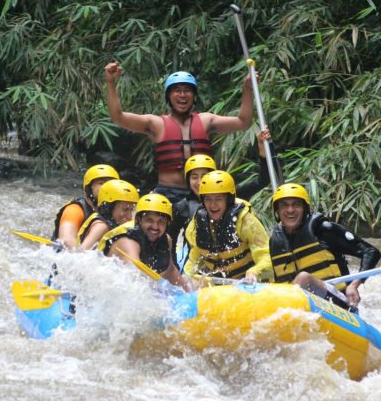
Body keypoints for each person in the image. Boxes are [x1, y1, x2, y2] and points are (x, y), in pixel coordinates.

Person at [104, 62, 255, 201]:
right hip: (168, 193)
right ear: (168, 96)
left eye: (187, 91)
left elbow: (243, 122)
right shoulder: (156, 124)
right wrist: (110, 82)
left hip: (203, 192)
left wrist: (247, 88)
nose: (182, 95)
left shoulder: (206, 121)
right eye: (177, 91)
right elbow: (118, 117)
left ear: (194, 96)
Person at [170, 127, 276, 262]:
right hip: (201, 264)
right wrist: (173, 270)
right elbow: (170, 241)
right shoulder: (181, 207)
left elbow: (263, 180)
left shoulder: (230, 196)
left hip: (234, 262)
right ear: (187, 180)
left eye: (204, 175)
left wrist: (263, 149)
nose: (199, 181)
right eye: (194, 177)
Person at [269, 183, 381, 311]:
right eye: (284, 205)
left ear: (305, 209)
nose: (290, 210)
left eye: (296, 204)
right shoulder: (275, 242)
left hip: (337, 302)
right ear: (277, 211)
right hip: (297, 306)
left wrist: (354, 285)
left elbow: (371, 251)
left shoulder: (323, 230)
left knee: (303, 278)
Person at [184, 170, 272, 284]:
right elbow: (194, 258)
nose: (212, 205)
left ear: (228, 200)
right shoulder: (197, 224)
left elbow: (266, 256)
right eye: (208, 199)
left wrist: (254, 272)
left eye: (218, 199)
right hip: (220, 285)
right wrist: (185, 278)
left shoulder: (246, 221)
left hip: (248, 284)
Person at [98, 193, 189, 290]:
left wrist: (189, 292)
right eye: (149, 220)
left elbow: (170, 271)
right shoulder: (128, 241)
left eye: (161, 221)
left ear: (168, 224)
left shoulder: (166, 239)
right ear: (138, 220)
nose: (155, 227)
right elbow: (136, 276)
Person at [52, 164, 120, 249]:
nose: (107, 187)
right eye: (101, 183)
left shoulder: (119, 213)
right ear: (88, 188)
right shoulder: (75, 210)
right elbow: (66, 240)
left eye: (111, 183)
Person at [77, 179, 139, 250]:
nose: (130, 216)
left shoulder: (113, 223)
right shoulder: (101, 227)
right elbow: (81, 254)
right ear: (108, 208)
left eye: (131, 210)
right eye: (125, 209)